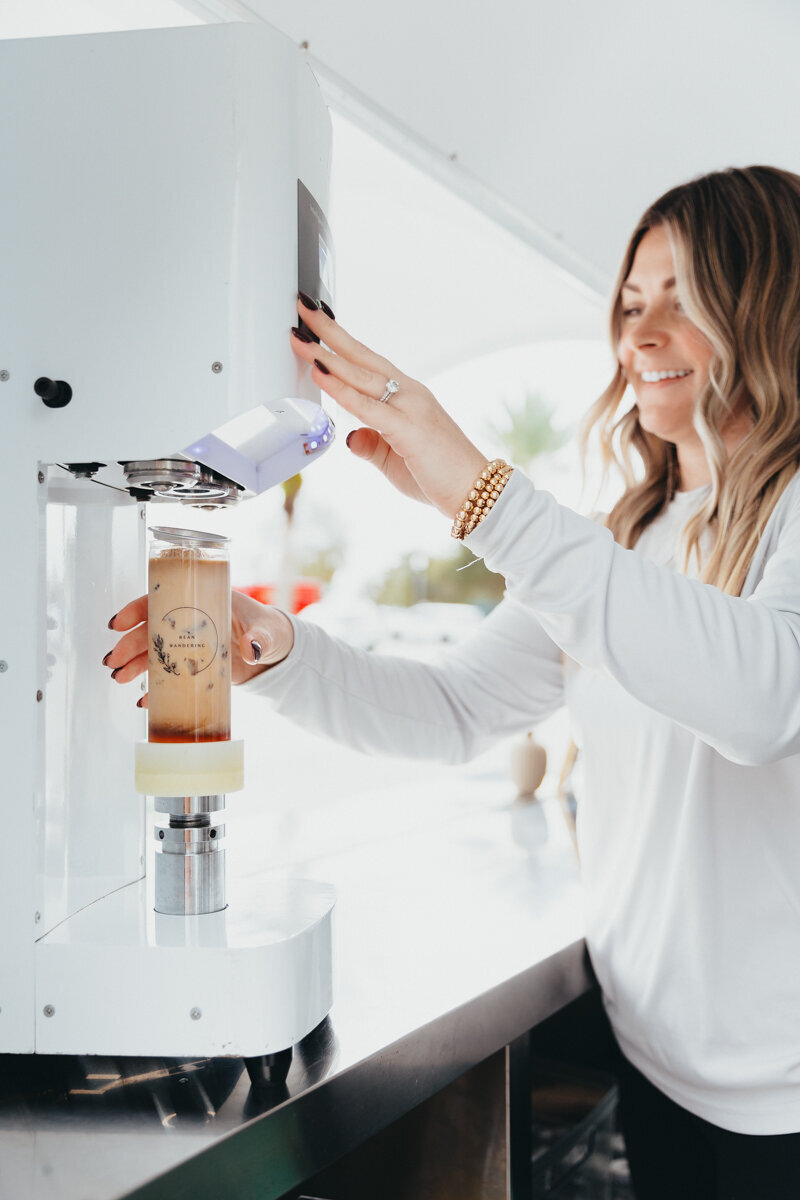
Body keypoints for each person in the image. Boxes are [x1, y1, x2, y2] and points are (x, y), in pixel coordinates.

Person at [106, 165, 800, 1199]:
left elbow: (760, 703)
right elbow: (451, 712)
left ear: (770, 307)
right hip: (658, 1059)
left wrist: (478, 491)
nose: (639, 336)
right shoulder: (632, 536)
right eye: (627, 302)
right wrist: (275, 648)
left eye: (682, 299)